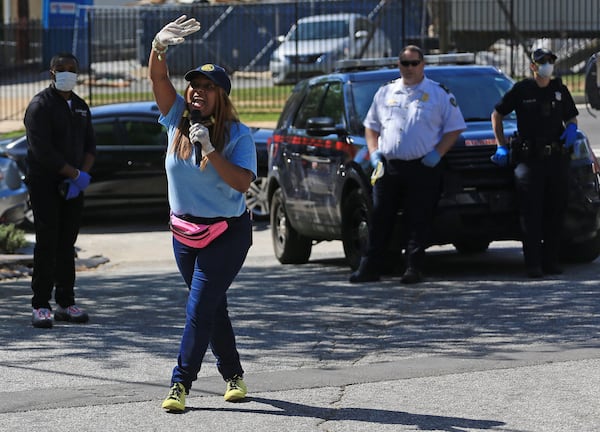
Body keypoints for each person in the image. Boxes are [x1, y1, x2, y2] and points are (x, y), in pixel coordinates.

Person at [149, 15, 257, 412]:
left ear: (222, 96)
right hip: (184, 232)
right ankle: (234, 375)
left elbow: (242, 183)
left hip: (227, 232)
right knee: (213, 307)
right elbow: (160, 81)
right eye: (194, 84)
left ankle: (180, 384)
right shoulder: (177, 118)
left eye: (208, 87)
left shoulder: (238, 134)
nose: (197, 91)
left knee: (198, 308)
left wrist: (210, 149)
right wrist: (158, 48)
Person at [350, 45, 466, 285]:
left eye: (414, 63)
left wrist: (437, 154)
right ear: (398, 65)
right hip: (389, 166)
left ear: (423, 65)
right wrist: (374, 155)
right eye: (405, 63)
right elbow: (371, 126)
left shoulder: (438, 93)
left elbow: (454, 127)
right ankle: (370, 267)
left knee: (419, 218)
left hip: (422, 167)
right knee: (381, 217)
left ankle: (413, 267)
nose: (410, 68)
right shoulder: (385, 92)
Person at [491, 48, 579, 278]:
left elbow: (571, 115)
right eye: (542, 62)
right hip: (529, 161)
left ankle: (551, 261)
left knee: (556, 210)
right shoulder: (522, 90)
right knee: (531, 213)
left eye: (550, 61)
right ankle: (533, 264)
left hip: (556, 159)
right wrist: (500, 144)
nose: (547, 65)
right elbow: (497, 114)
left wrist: (571, 127)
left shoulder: (559, 89)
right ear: (533, 66)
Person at [24, 52, 96, 329]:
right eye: (61, 69)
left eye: (72, 69)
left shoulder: (79, 105)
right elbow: (42, 152)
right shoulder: (40, 106)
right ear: (51, 72)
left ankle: (66, 302)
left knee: (68, 244)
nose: (67, 73)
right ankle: (41, 305)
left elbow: (90, 145)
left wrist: (82, 176)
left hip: (73, 186)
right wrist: (73, 173)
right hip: (45, 184)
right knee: (47, 242)